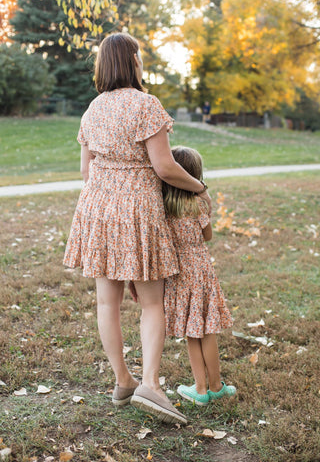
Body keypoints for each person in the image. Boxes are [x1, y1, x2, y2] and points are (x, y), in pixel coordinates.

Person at [63, 33, 211, 425]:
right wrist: (198, 186)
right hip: (136, 210)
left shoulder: (92, 108)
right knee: (150, 302)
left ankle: (122, 380)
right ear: (133, 60)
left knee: (106, 302)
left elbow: (84, 169)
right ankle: (149, 383)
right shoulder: (146, 104)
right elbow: (163, 166)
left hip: (96, 208)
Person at [162, 146, 236, 406]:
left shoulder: (163, 207)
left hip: (180, 273)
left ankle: (200, 389)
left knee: (193, 333)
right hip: (202, 271)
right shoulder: (197, 204)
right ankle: (216, 386)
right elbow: (208, 236)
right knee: (208, 331)